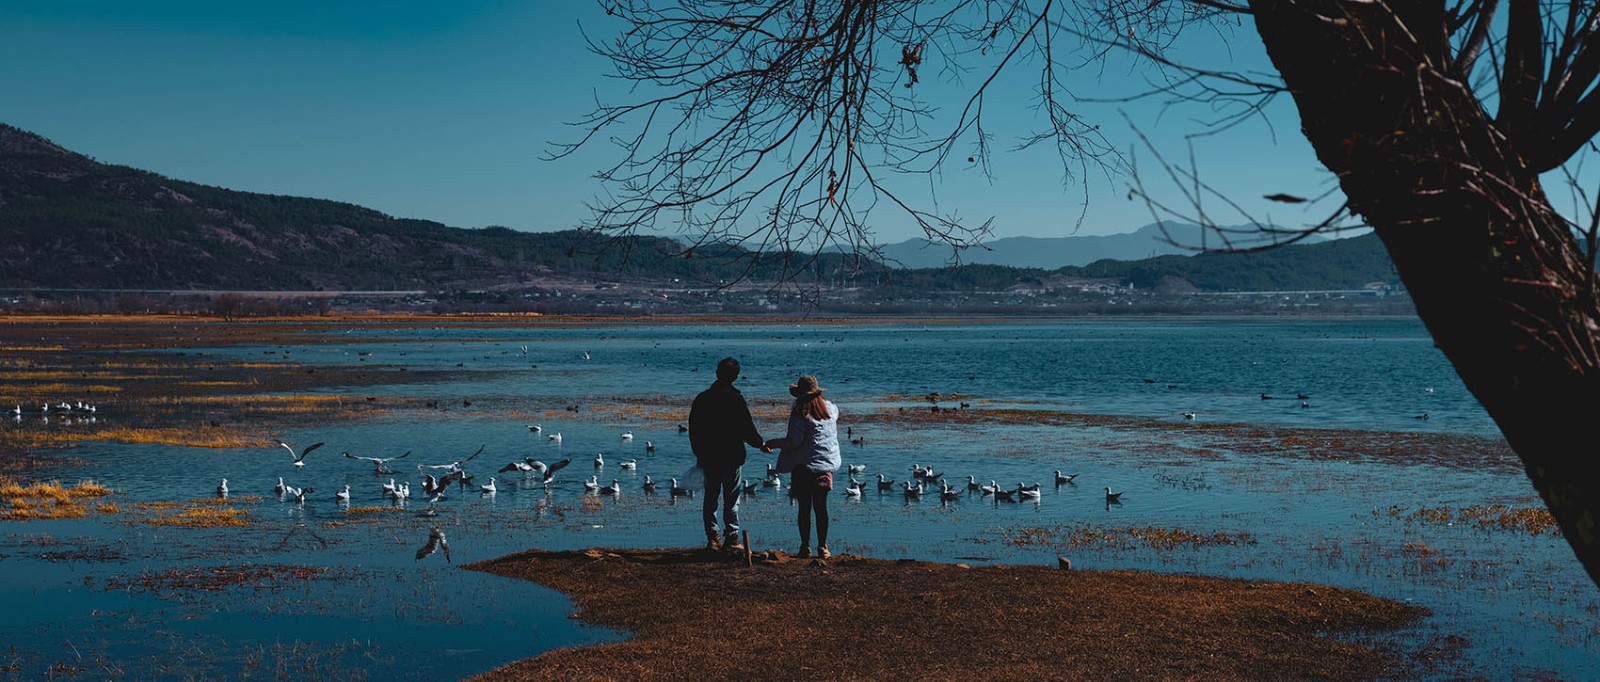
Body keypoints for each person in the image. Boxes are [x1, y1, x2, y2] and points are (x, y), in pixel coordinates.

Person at [688, 357, 765, 553]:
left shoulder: (703, 399)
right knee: (731, 499)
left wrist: (699, 453)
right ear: (736, 377)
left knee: (710, 497)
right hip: (732, 456)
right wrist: (760, 444)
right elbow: (746, 427)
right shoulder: (735, 399)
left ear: (717, 374)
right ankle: (732, 538)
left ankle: (713, 538)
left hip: (709, 457)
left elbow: (694, 429)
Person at [765, 375, 841, 559]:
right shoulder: (830, 409)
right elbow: (833, 414)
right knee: (821, 508)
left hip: (804, 468)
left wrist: (772, 443)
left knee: (804, 508)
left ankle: (805, 547)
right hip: (825, 466)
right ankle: (823, 547)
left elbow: (794, 441)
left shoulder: (800, 414)